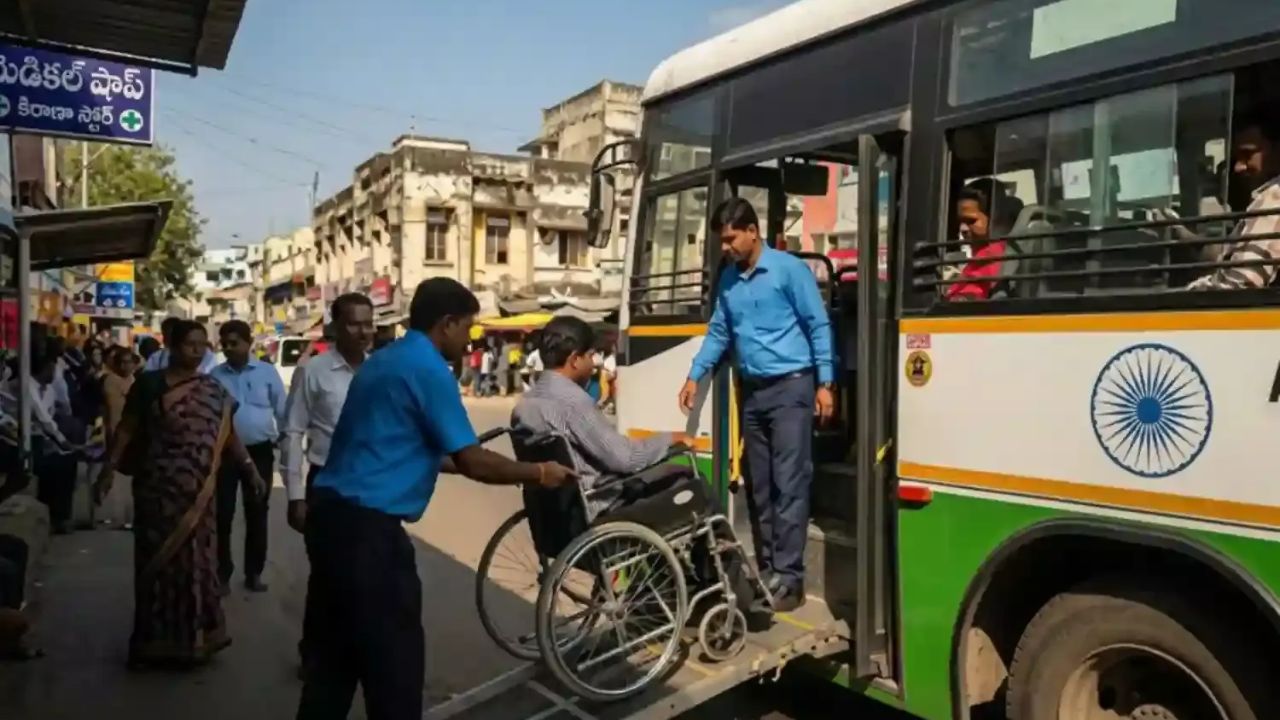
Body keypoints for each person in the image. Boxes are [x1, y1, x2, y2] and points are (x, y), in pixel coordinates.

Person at [296, 278, 574, 720]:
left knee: (334, 667)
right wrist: (539, 472)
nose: (470, 340)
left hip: (331, 521)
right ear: (446, 324)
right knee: (395, 671)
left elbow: (404, 448)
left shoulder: (384, 361)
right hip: (369, 536)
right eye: (467, 328)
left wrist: (461, 456)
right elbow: (473, 463)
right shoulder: (428, 370)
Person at [678, 197, 835, 612]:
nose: (725, 248)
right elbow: (718, 332)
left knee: (789, 483)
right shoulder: (728, 280)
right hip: (753, 393)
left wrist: (826, 383)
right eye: (721, 242)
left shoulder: (789, 271)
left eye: (730, 239)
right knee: (760, 487)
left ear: (752, 231)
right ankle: (769, 570)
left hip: (792, 388)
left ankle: (790, 578)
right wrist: (696, 375)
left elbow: (818, 324)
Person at [94, 320, 266, 670]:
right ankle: (153, 642)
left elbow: (227, 432)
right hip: (158, 490)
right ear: (171, 346)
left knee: (197, 565)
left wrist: (249, 468)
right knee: (156, 566)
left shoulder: (212, 389)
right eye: (191, 344)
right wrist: (108, 469)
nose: (198, 350)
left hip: (199, 493)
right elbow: (128, 429)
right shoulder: (150, 384)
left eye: (203, 344)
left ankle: (199, 639)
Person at [283, 293, 373, 678]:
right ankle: (315, 653)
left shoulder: (378, 371)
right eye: (355, 323)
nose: (364, 332)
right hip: (326, 485)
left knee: (368, 575)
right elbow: (293, 431)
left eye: (369, 323)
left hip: (370, 487)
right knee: (327, 576)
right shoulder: (314, 371)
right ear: (335, 327)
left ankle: (356, 652)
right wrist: (295, 496)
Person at [211, 320, 287, 594]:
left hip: (260, 452)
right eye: (225, 344)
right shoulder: (215, 376)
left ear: (248, 343)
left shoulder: (267, 372)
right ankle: (222, 573)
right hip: (226, 453)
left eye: (235, 343)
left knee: (257, 512)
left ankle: (254, 572)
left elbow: (282, 410)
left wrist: (286, 442)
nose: (230, 349)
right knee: (223, 514)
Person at [1188, 121, 1280, 290]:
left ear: (1275, 152)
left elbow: (1240, 284)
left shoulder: (1274, 198)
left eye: (1248, 155)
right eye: (1237, 158)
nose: (1238, 167)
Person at [947, 178, 1018, 301]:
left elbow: (965, 302)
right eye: (960, 221)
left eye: (971, 221)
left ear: (995, 218)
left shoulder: (990, 256)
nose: (962, 228)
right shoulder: (1004, 250)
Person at [99, 346, 137, 529]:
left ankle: (128, 517)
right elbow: (113, 411)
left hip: (131, 434)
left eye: (129, 362)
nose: (125, 366)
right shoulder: (111, 381)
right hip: (114, 432)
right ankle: (109, 514)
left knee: (127, 479)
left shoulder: (134, 381)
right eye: (122, 362)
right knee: (112, 477)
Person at [144, 317, 219, 374]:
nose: (197, 350)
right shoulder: (157, 358)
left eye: (201, 344)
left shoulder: (209, 358)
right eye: (190, 344)